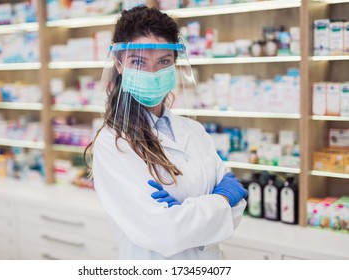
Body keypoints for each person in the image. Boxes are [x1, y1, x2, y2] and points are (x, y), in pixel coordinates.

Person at [85, 5, 247, 260]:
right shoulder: (113, 143)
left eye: (163, 62)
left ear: (174, 63)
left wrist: (185, 211)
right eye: (138, 62)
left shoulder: (194, 131)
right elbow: (165, 231)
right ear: (119, 64)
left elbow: (238, 206)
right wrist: (222, 199)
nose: (153, 72)